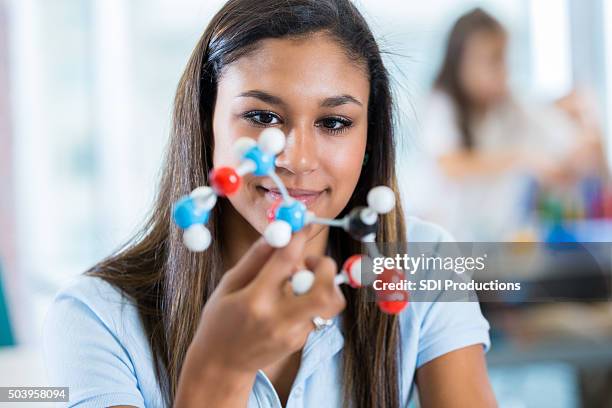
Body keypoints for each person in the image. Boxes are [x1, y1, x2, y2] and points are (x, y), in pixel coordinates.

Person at [42, 1, 495, 407]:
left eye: (334, 122)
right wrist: (221, 370)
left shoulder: (423, 264)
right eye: (262, 117)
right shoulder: (96, 317)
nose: (296, 160)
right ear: (206, 124)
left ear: (369, 139)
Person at [408, 8, 605, 241]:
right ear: (459, 62)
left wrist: (586, 131)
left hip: (493, 242)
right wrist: (522, 159)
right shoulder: (441, 103)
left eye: (503, 58)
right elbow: (452, 164)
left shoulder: (512, 106)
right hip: (442, 244)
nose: (502, 71)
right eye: (491, 60)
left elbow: (566, 143)